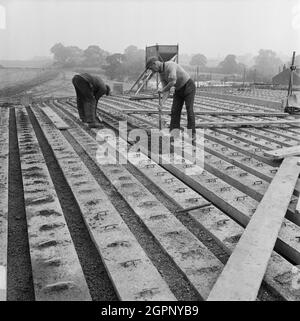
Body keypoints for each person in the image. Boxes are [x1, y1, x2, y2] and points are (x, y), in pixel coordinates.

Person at [146, 56, 196, 142]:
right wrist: (161, 103)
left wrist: (162, 90)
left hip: (188, 86)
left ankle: (192, 134)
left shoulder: (170, 65)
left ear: (155, 64)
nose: (152, 71)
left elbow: (173, 81)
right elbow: (166, 91)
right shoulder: (161, 75)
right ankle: (174, 134)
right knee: (175, 110)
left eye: (151, 68)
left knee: (189, 110)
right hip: (179, 89)